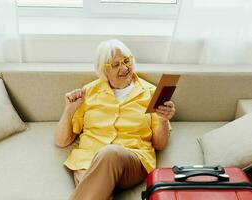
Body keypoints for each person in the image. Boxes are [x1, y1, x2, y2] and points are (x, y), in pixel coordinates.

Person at [54, 39, 175, 200]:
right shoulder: (88, 92)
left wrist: (163, 120)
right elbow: (61, 141)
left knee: (109, 153)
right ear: (103, 70)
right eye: (116, 65)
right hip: (88, 162)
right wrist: (69, 110)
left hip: (131, 160)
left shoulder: (151, 93)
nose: (124, 68)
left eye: (126, 61)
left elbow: (160, 144)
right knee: (97, 188)